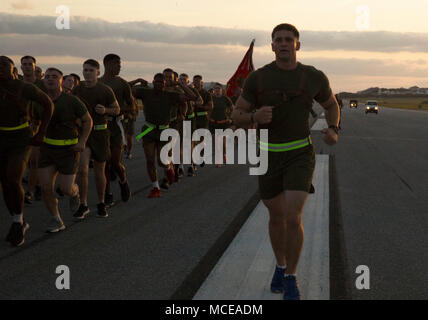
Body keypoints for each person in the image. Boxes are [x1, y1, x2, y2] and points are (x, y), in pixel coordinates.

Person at [231, 23, 340, 300]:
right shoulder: (258, 79)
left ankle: (291, 276)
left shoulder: (313, 76)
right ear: (272, 46)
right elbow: (236, 115)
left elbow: (331, 105)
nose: (283, 43)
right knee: (276, 217)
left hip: (300, 154)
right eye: (278, 39)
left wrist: (333, 129)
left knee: (293, 217)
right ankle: (280, 266)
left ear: (297, 45)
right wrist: (254, 118)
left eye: (288, 39)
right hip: (267, 154)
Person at [0, 56, 54, 246]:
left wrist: (41, 132)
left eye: (4, 66)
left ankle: (18, 221)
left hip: (20, 139)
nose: (0, 69)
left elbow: (48, 105)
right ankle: (18, 220)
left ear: (13, 69)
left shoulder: (25, 88)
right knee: (6, 184)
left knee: (14, 179)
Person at [38, 68, 92, 232]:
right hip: (47, 148)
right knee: (46, 187)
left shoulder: (71, 101)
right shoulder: (40, 100)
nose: (50, 79)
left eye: (54, 77)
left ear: (61, 81)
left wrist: (82, 141)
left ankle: (75, 193)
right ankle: (56, 219)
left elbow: (88, 121)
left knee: (66, 189)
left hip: (68, 150)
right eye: (47, 77)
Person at [133, 73, 197, 198]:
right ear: (153, 82)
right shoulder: (146, 92)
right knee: (150, 160)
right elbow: (125, 89)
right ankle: (155, 187)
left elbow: (192, 96)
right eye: (156, 82)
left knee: (162, 161)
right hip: (149, 130)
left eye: (161, 82)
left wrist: (180, 84)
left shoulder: (170, 96)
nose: (159, 84)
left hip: (164, 131)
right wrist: (138, 79)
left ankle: (168, 168)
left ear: (165, 84)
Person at [73, 59, 120, 219]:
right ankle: (83, 204)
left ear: (98, 72)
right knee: (82, 170)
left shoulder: (105, 90)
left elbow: (117, 109)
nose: (87, 73)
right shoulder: (77, 90)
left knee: (100, 172)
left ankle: (101, 202)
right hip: (84, 135)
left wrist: (106, 109)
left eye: (91, 70)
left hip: (100, 134)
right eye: (85, 70)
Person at [99, 54, 133, 206]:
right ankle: (107, 193)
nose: (119, 66)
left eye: (120, 64)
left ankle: (123, 180)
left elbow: (131, 106)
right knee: (104, 163)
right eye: (116, 63)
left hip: (116, 125)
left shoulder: (122, 84)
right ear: (106, 64)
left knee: (115, 162)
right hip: (100, 127)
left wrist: (117, 110)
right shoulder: (97, 83)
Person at [179, 73, 203, 176]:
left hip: (190, 119)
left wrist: (194, 103)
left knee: (189, 143)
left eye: (184, 80)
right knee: (179, 143)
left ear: (188, 82)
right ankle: (180, 166)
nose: (182, 81)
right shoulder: (176, 90)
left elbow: (200, 101)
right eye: (181, 79)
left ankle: (190, 165)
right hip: (179, 120)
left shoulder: (192, 90)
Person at [210, 83, 233, 167]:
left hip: (223, 123)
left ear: (221, 90)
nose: (216, 90)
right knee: (215, 141)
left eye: (218, 88)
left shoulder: (225, 99)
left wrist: (230, 118)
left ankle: (224, 155)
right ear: (213, 90)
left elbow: (232, 109)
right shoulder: (211, 98)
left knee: (222, 142)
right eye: (215, 88)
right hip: (213, 123)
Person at [192, 75, 213, 168]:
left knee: (200, 140)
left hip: (202, 119)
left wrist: (200, 106)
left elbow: (210, 107)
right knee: (192, 140)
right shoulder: (189, 92)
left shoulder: (206, 94)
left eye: (198, 81)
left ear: (201, 83)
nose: (196, 83)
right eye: (194, 81)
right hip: (192, 118)